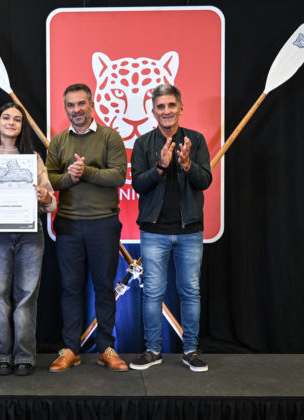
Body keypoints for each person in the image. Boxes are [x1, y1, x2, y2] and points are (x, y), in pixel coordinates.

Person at [0, 103, 57, 376]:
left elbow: (51, 202)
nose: (11, 122)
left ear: (22, 126)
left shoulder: (33, 158)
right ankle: (0, 356)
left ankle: (24, 356)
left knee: (27, 296)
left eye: (17, 119)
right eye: (6, 117)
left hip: (30, 232)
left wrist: (45, 197)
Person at [45, 83, 128, 372]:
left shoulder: (110, 136)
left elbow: (119, 176)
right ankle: (71, 349)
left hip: (103, 224)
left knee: (104, 288)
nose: (76, 109)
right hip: (68, 225)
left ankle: (106, 348)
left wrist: (86, 171)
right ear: (65, 108)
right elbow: (50, 180)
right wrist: (69, 177)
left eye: (81, 103)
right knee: (70, 288)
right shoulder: (58, 141)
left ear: (91, 105)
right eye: (71, 105)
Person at [129, 84, 212, 372]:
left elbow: (205, 181)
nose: (166, 111)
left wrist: (188, 164)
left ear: (180, 108)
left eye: (171, 105)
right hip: (154, 231)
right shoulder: (142, 143)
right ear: (153, 112)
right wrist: (160, 168)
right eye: (160, 107)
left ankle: (191, 351)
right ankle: (152, 350)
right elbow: (138, 184)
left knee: (190, 291)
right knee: (152, 292)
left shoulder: (196, 140)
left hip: (190, 230)